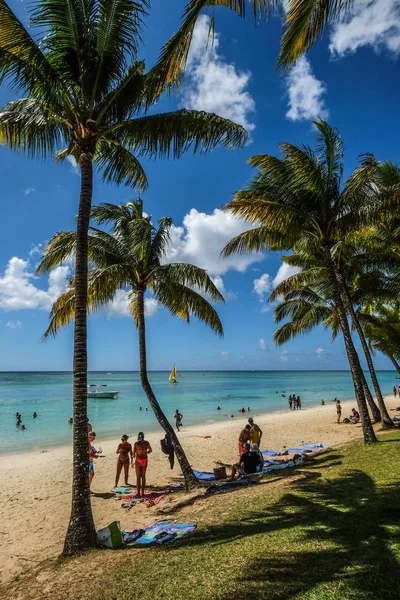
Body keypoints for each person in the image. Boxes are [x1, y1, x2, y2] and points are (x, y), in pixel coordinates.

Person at [133, 432, 152, 497]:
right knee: (143, 476)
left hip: (138, 460)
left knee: (138, 477)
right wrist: (145, 452)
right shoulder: (147, 443)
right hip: (144, 460)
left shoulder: (136, 443)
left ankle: (138, 493)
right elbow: (150, 450)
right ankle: (142, 493)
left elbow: (133, 454)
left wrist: (136, 453)